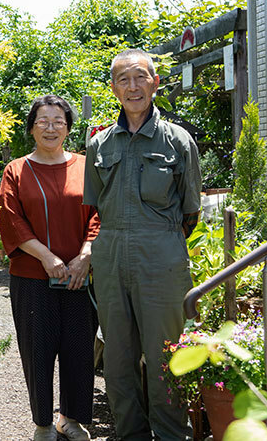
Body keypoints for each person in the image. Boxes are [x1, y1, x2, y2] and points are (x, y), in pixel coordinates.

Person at [84, 48, 201, 440]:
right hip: (112, 257)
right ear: (114, 88)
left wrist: (159, 242)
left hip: (162, 259)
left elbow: (190, 212)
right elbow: (97, 206)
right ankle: (130, 434)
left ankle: (171, 435)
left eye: (140, 77)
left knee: (166, 355)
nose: (132, 87)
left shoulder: (179, 141)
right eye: (123, 79)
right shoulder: (99, 145)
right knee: (117, 359)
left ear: (154, 82)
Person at [0, 94, 101, 441]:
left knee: (79, 350)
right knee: (37, 350)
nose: (51, 127)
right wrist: (47, 257)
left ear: (69, 128)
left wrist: (85, 255)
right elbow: (12, 220)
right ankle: (43, 423)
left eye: (59, 121)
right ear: (31, 128)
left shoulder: (86, 167)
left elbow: (100, 214)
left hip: (79, 276)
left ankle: (70, 419)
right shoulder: (16, 170)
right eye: (43, 120)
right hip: (32, 277)